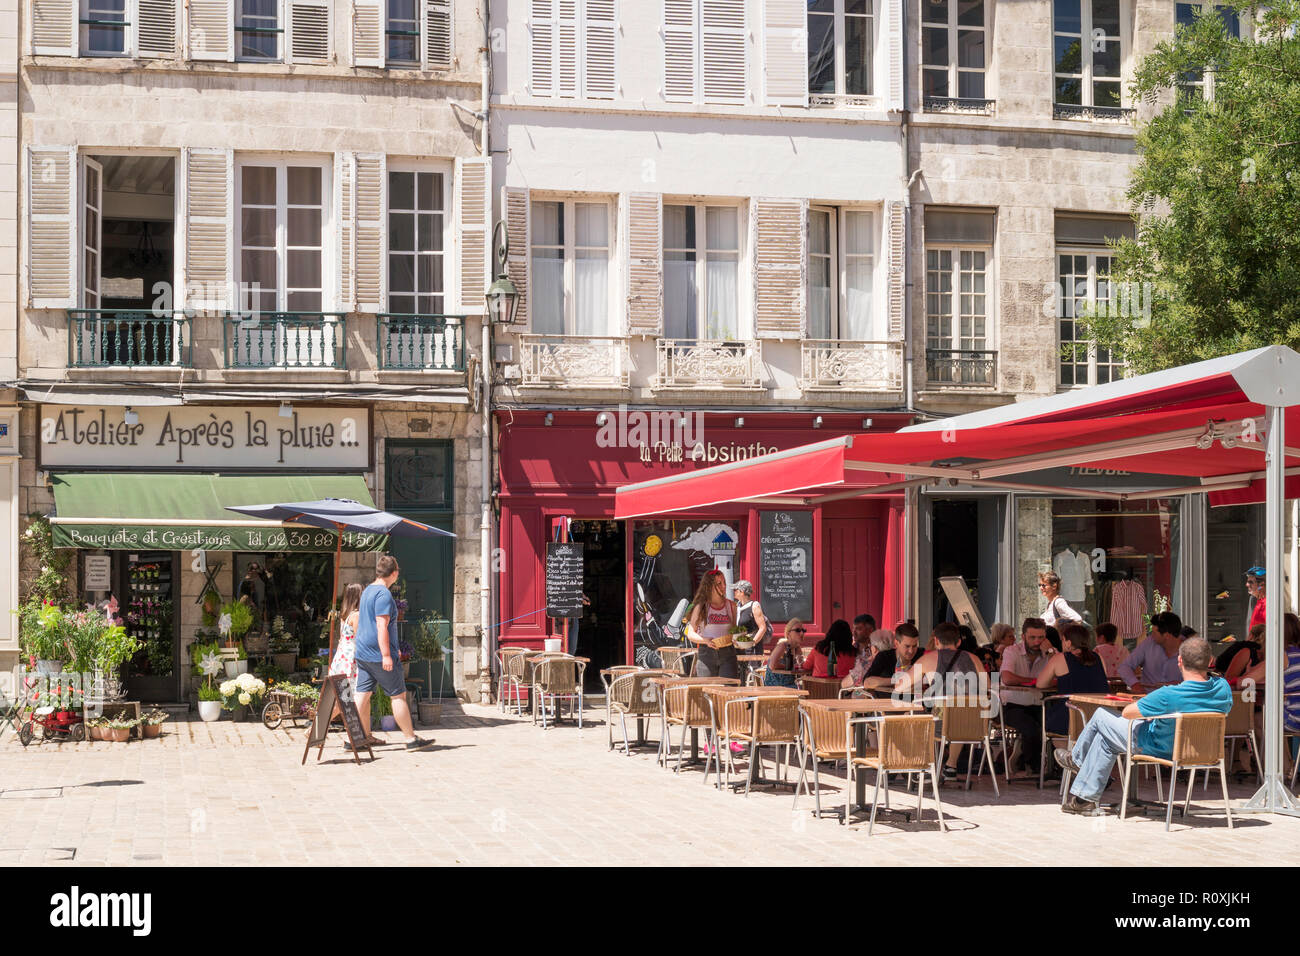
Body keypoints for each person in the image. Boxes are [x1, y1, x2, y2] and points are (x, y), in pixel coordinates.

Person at [1055, 636, 1232, 815]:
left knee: (1101, 715)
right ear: (1210, 661)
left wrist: (1152, 704)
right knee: (1105, 739)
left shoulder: (1168, 695)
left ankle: (1077, 759)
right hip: (1202, 750)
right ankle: (1084, 800)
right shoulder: (1223, 689)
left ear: (1179, 660)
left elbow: (1128, 713)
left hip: (1157, 747)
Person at [353, 554, 435, 751]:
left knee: (361, 696)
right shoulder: (383, 595)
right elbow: (381, 626)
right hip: (378, 655)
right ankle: (410, 739)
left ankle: (354, 738)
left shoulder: (366, 591)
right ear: (395, 573)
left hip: (363, 652)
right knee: (397, 696)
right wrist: (386, 654)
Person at [894, 622, 985, 779]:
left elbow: (900, 686)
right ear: (958, 642)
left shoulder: (928, 659)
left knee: (914, 717)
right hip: (975, 725)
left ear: (936, 641)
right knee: (960, 712)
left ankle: (925, 766)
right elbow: (987, 686)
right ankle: (951, 766)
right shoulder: (975, 659)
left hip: (941, 725)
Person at [1000, 617, 1055, 778]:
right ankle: (1034, 767)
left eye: (1041, 637)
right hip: (1013, 704)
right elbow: (1007, 678)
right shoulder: (1012, 651)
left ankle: (1049, 766)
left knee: (1054, 727)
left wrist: (1051, 652)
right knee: (1032, 729)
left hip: (1040, 704)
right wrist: (1036, 682)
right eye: (1032, 637)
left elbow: (1062, 676)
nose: (1037, 642)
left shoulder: (1050, 653)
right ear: (1023, 637)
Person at [1037, 623, 1110, 736]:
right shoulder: (1098, 657)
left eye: (1063, 640)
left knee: (1046, 716)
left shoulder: (1060, 658)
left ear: (1068, 643)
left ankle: (1063, 752)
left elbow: (1040, 684)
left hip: (1070, 719)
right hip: (1098, 717)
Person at [684, 569, 738, 680]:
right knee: (707, 691)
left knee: (729, 688)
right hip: (706, 653)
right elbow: (690, 633)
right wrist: (705, 640)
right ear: (709, 586)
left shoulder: (731, 606)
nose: (724, 586)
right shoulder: (701, 606)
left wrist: (738, 638)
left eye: (724, 582)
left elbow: (734, 630)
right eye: (719, 583)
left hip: (727, 652)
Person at [1118, 610, 1186, 691]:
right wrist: (1135, 684)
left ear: (1166, 635)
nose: (1151, 636)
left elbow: (1198, 679)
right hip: (1148, 698)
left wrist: (1181, 684)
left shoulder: (1189, 650)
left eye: (1154, 633)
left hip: (1177, 699)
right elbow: (1125, 666)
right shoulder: (1148, 643)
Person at [860, 623, 922, 693]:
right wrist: (898, 680)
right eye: (907, 646)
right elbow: (867, 682)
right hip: (885, 702)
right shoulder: (884, 657)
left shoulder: (921, 654)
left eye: (914, 646)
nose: (911, 651)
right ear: (896, 643)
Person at [764, 618, 806, 688]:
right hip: (775, 686)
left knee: (811, 689)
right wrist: (790, 666)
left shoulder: (797, 648)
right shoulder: (782, 645)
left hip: (789, 684)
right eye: (798, 630)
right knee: (808, 691)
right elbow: (772, 666)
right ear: (788, 633)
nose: (802, 633)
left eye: (803, 630)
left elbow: (800, 667)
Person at [733, 581, 771, 654]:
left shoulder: (754, 606)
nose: (734, 592)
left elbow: (762, 627)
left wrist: (752, 643)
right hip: (739, 648)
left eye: (735, 590)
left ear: (742, 592)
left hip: (752, 649)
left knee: (753, 666)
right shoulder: (737, 606)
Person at [1246, 566, 1267, 632]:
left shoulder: (1268, 604)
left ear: (1261, 585)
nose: (1247, 584)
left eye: (1250, 582)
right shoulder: (1256, 600)